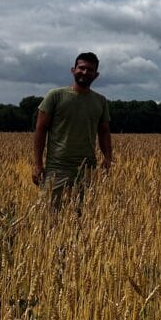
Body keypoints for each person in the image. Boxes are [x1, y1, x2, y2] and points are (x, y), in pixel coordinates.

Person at [32, 52, 112, 207]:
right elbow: (40, 129)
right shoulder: (55, 96)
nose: (85, 72)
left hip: (88, 169)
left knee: (82, 218)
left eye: (90, 70)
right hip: (58, 167)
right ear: (73, 70)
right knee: (47, 216)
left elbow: (104, 132)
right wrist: (37, 164)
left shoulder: (100, 101)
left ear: (96, 75)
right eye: (81, 68)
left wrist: (108, 158)